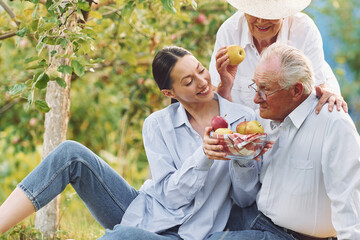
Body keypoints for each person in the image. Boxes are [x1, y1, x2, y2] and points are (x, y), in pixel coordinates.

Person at [0, 46, 271, 240]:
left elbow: (245, 198)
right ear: (170, 93)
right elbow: (168, 197)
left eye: (201, 70)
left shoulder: (241, 119)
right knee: (71, 153)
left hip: (192, 232)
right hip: (145, 212)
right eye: (188, 81)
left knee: (124, 236)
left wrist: (243, 157)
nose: (202, 82)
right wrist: (203, 157)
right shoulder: (157, 124)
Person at [205, 42, 360, 240]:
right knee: (195, 226)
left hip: (293, 236)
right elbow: (245, 196)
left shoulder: (334, 124)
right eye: (255, 86)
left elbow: (350, 205)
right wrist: (242, 157)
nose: (255, 99)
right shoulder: (264, 118)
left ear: (296, 91)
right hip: (257, 218)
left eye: (264, 90)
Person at [209, 0, 347, 115]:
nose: (261, 20)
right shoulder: (229, 32)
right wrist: (225, 84)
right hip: (244, 137)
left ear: (285, 13)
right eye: (254, 12)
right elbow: (216, 105)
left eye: (270, 13)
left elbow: (314, 97)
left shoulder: (304, 30)